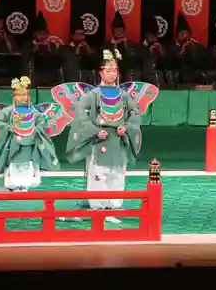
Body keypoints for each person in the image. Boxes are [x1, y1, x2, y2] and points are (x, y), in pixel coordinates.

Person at [54, 49, 159, 223]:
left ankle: (112, 207)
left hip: (117, 139)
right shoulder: (93, 95)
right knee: (98, 173)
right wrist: (94, 130)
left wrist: (126, 126)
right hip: (100, 138)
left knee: (117, 172)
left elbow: (134, 114)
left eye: (115, 70)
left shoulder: (124, 95)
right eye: (108, 70)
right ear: (101, 72)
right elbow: (80, 112)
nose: (112, 73)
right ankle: (98, 207)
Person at [0, 76, 67, 191]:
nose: (22, 97)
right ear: (14, 96)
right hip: (13, 143)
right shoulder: (8, 111)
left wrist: (36, 129)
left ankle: (25, 185)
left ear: (28, 96)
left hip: (30, 143)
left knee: (29, 163)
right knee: (13, 163)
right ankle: (12, 185)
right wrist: (8, 128)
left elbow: (42, 123)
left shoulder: (35, 113)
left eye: (24, 95)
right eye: (19, 95)